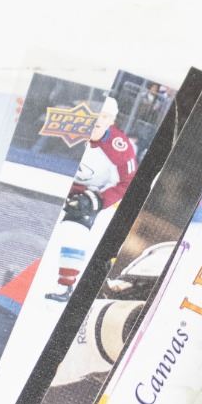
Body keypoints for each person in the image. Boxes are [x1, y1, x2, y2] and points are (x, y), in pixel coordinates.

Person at [45, 98, 138, 302]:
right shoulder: (67, 130)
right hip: (60, 184)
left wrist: (98, 200)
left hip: (90, 194)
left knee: (74, 233)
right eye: (95, 115)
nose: (98, 121)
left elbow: (128, 182)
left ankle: (65, 286)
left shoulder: (121, 148)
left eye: (104, 117)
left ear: (111, 121)